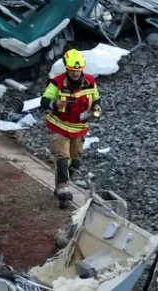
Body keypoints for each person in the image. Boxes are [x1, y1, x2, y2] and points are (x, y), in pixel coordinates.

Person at [42, 48, 102, 207]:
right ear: (66, 68)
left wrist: (96, 109)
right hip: (60, 127)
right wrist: (55, 104)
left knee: (75, 163)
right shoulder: (57, 82)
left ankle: (61, 184)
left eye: (78, 70)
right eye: (72, 70)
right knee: (62, 160)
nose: (75, 73)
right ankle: (63, 193)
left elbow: (96, 99)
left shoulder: (90, 81)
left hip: (79, 129)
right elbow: (44, 101)